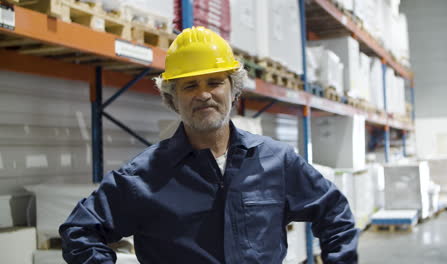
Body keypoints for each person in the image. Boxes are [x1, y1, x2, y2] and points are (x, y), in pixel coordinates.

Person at [59, 26, 358, 264]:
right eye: (190, 86)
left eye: (214, 82)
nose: (204, 95)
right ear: (172, 98)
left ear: (233, 89)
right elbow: (80, 231)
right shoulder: (145, 176)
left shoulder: (276, 161)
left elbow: (334, 212)